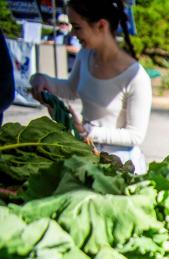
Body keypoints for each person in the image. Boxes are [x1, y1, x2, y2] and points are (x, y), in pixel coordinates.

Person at [30, 0, 152, 174]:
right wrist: (44, 80)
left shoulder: (137, 77)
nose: (72, 33)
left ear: (101, 26)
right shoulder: (85, 55)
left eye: (77, 27)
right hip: (87, 156)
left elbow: (135, 135)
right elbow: (71, 89)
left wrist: (89, 131)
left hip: (121, 167)